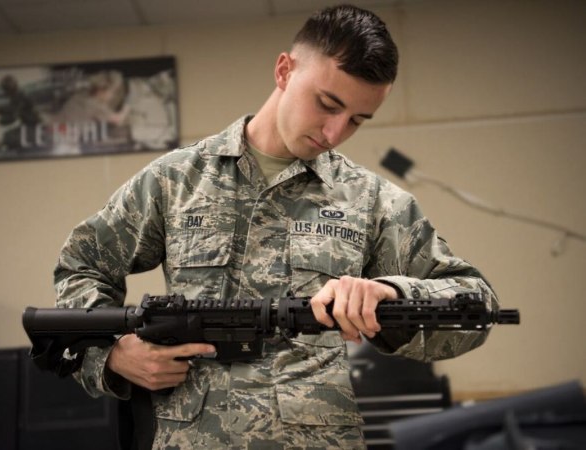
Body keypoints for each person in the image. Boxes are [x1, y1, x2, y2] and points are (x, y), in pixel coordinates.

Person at [54, 4, 499, 449]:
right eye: (328, 104)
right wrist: (110, 355)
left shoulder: (371, 201)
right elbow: (81, 266)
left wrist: (394, 293)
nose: (335, 131)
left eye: (358, 120)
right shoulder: (176, 181)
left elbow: (477, 305)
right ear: (284, 70)